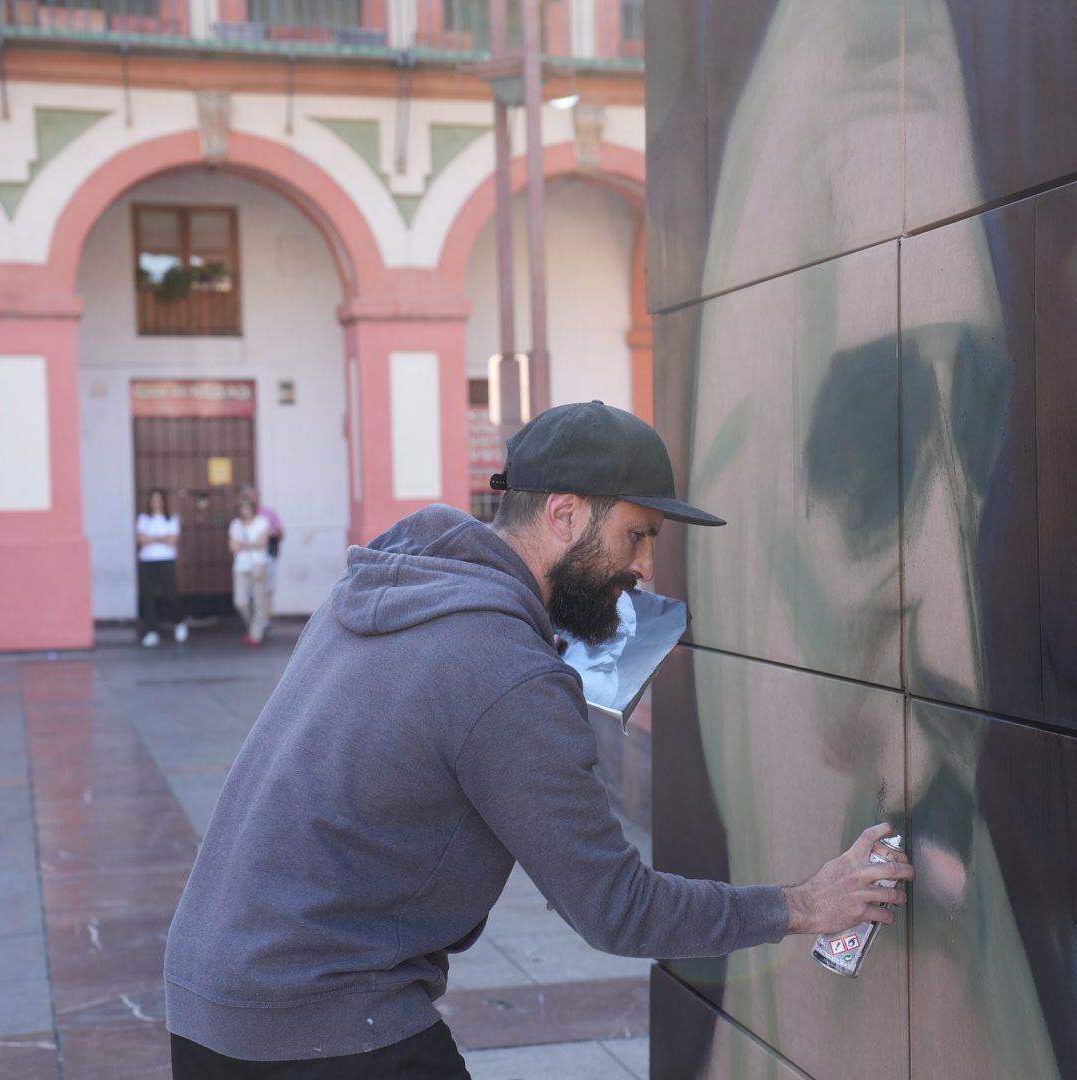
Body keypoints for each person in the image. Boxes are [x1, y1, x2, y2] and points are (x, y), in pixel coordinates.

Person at [164, 401, 913, 1077]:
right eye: (636, 535)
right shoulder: (505, 673)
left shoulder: (391, 588)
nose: (646, 566)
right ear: (563, 514)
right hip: (323, 1023)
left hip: (210, 997)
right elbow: (617, 909)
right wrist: (807, 906)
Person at [135, 487, 186, 647]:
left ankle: (178, 622)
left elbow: (173, 540)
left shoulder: (171, 519)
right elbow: (141, 539)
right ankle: (152, 631)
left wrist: (153, 538)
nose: (156, 503)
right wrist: (162, 538)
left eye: (159, 500)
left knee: (171, 594)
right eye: (153, 500)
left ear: (164, 502)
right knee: (148, 596)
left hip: (166, 560)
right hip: (147, 561)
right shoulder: (144, 519)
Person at [227, 496, 271, 648]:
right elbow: (233, 547)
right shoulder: (235, 524)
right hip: (241, 566)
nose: (245, 511)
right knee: (240, 602)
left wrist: (243, 544)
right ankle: (256, 626)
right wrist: (252, 544)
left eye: (248, 507)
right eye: (242, 507)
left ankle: (255, 635)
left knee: (259, 601)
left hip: (259, 564)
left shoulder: (262, 522)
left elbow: (263, 543)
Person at [241, 486, 285, 628]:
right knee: (248, 591)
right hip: (248, 559)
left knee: (267, 589)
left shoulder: (268, 514)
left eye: (254, 496)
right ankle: (254, 621)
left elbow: (280, 533)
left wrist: (269, 534)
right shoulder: (241, 516)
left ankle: (265, 620)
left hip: (267, 557)